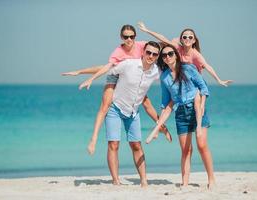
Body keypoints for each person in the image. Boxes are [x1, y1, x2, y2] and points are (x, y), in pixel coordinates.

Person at [62, 25, 171, 155]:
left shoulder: (143, 46)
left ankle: (161, 128)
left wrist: (148, 31)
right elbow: (107, 67)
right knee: (106, 105)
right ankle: (94, 138)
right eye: (126, 37)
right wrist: (87, 76)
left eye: (132, 36)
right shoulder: (118, 52)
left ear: (135, 37)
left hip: (133, 76)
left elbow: (165, 43)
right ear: (121, 37)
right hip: (116, 75)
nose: (129, 39)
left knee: (146, 103)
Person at [138, 22, 233, 138]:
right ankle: (157, 130)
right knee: (171, 102)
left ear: (194, 40)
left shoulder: (195, 54)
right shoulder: (178, 48)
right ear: (181, 39)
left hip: (194, 83)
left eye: (190, 37)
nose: (187, 39)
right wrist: (147, 30)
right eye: (184, 37)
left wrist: (219, 80)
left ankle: (198, 125)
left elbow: (207, 66)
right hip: (181, 83)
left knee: (198, 98)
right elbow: (163, 38)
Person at [146, 43, 215, 189]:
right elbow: (166, 102)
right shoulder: (164, 77)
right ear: (162, 59)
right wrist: (159, 127)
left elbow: (203, 87)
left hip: (197, 109)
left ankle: (212, 179)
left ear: (176, 54)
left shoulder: (188, 68)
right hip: (181, 113)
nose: (167, 57)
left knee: (202, 146)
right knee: (186, 150)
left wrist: (202, 106)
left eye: (170, 53)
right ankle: (185, 182)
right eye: (164, 55)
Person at [105, 41, 161, 187]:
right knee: (114, 144)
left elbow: (174, 69)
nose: (151, 56)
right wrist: (109, 91)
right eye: (148, 52)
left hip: (133, 112)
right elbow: (110, 70)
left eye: (155, 54)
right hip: (115, 108)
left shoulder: (156, 72)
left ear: (157, 57)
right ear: (143, 52)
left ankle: (143, 180)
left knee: (136, 145)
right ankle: (116, 181)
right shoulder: (128, 64)